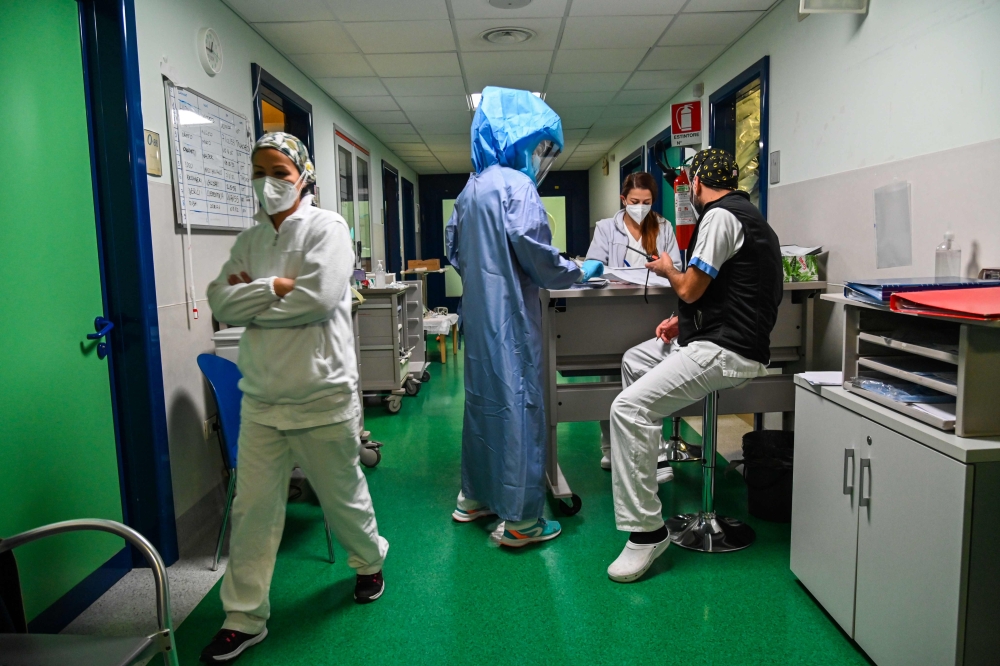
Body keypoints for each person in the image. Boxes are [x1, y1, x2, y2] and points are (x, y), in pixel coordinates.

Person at [201, 133, 388, 662]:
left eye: (279, 171)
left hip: (321, 394)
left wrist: (255, 295)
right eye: (259, 172)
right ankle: (243, 617)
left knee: (342, 497)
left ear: (303, 174)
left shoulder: (328, 227)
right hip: (262, 398)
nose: (269, 182)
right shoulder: (251, 239)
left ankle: (370, 562)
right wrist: (274, 287)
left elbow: (319, 298)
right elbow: (220, 302)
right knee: (253, 510)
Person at [606, 148, 782, 583]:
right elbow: (720, 292)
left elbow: (689, 287)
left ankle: (647, 533)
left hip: (726, 351)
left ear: (698, 183)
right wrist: (681, 322)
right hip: (716, 339)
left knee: (627, 409)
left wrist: (667, 268)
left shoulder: (721, 217)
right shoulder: (750, 216)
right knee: (635, 359)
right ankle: (655, 460)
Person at [446, 86, 581, 547]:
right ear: (515, 138)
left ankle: (475, 497)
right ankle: (522, 521)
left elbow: (455, 251)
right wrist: (579, 270)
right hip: (512, 320)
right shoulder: (516, 186)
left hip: (479, 319)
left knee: (483, 404)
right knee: (521, 406)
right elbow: (539, 258)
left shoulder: (469, 190)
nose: (536, 156)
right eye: (535, 144)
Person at [583, 172, 683, 478]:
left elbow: (676, 269)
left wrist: (664, 269)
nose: (640, 207)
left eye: (647, 202)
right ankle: (610, 448)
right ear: (623, 200)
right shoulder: (605, 228)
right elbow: (592, 269)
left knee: (651, 383)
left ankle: (656, 448)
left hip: (651, 315)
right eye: (635, 202)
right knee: (608, 382)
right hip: (613, 312)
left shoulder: (663, 227)